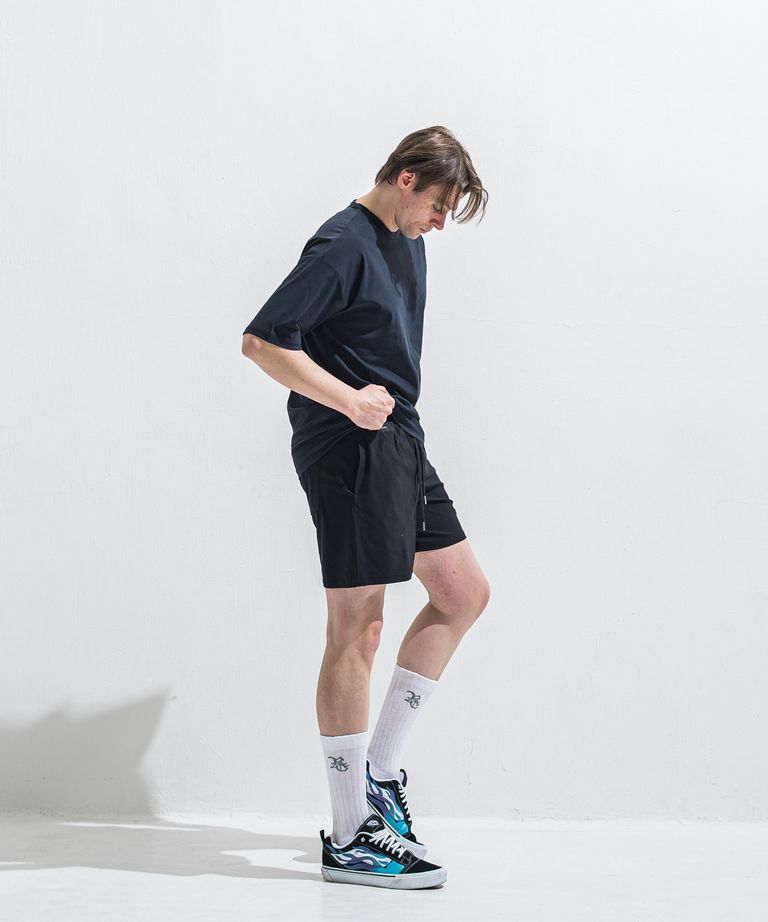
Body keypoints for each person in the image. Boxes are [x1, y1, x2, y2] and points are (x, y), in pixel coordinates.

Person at [241, 126, 490, 889]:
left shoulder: (405, 240)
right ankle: (351, 833)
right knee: (359, 626)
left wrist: (382, 414)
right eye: (440, 205)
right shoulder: (342, 244)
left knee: (462, 593)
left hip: (399, 440)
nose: (440, 224)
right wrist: (348, 400)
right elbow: (262, 342)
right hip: (347, 449)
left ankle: (380, 773)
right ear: (406, 178)